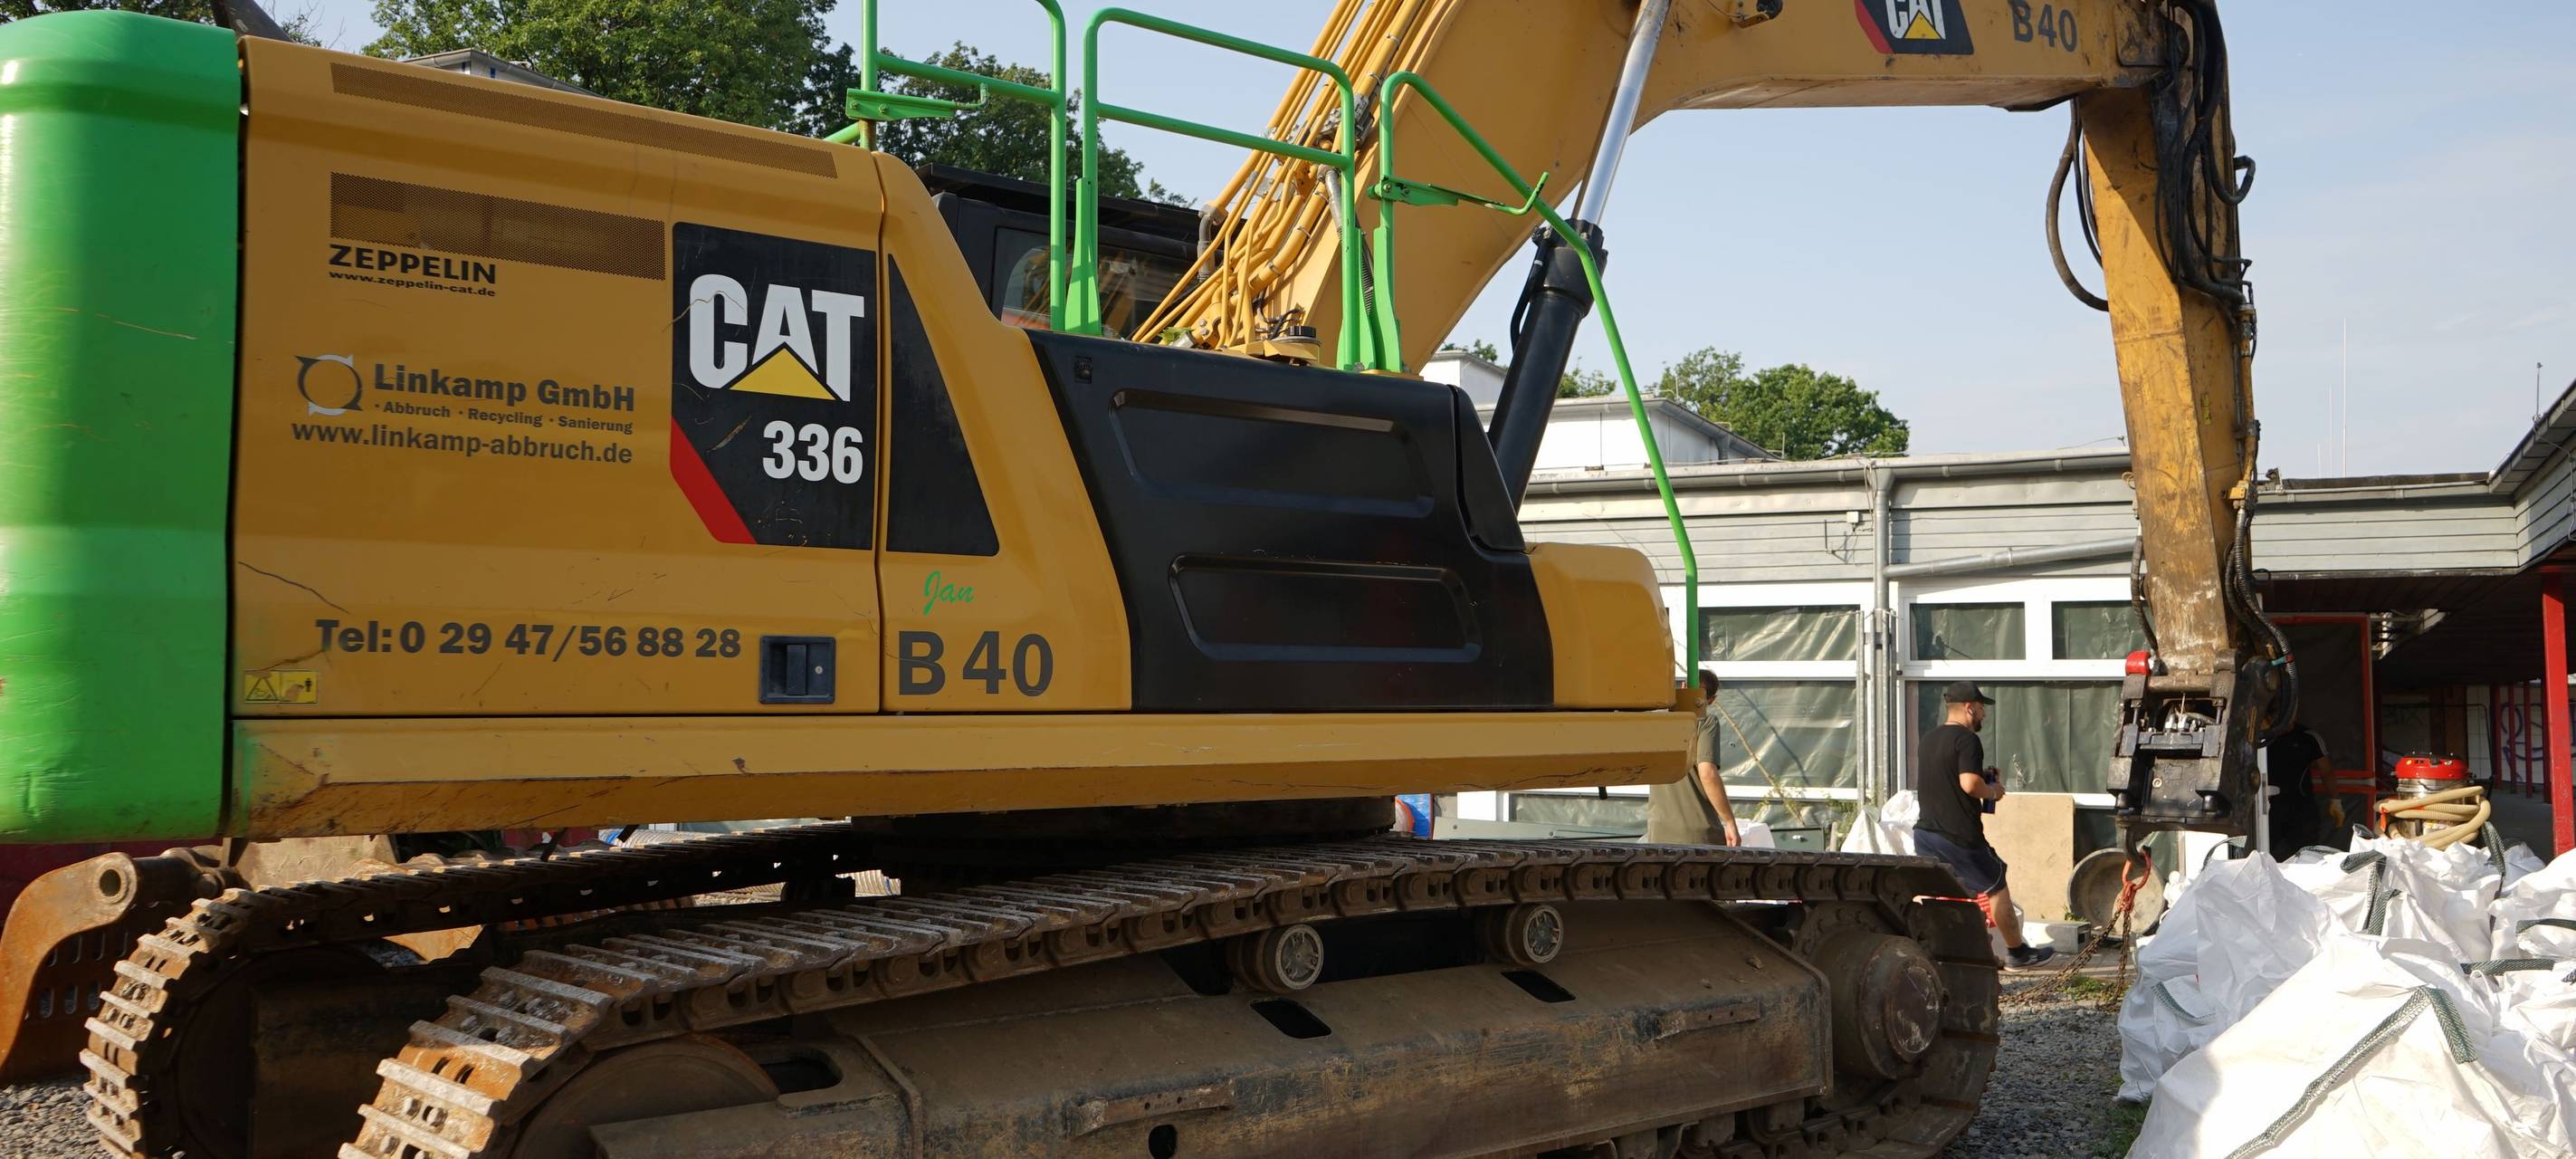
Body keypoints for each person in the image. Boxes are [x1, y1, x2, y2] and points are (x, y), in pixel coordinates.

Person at [1913, 680, 2054, 969]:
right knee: (1996, 883)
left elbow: (1949, 778)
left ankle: (1941, 952)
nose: (1983, 715)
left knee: (1945, 893)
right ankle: (2018, 953)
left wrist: (1983, 776)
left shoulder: (1928, 739)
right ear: (1968, 708)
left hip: (1926, 832)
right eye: (1980, 708)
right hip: (1959, 836)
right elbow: (1969, 784)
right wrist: (1993, 792)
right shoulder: (1967, 740)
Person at [1645, 670, 1741, 847]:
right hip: (1698, 833)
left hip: (1658, 831)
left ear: (1683, 688)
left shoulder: (1658, 721)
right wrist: (1729, 822)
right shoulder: (1705, 722)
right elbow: (1707, 773)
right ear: (1711, 700)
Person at [2262, 723, 2327, 858]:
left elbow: (2326, 771)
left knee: (2307, 853)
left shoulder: (2307, 736)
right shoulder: (2262, 736)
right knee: (2263, 851)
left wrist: (2335, 800)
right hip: (2267, 805)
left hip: (2301, 804)